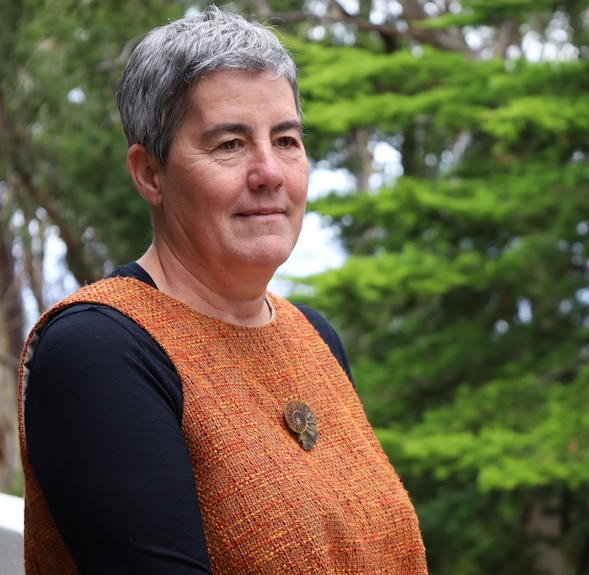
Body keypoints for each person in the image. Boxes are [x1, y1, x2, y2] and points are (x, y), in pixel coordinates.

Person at [17, 6, 428, 574]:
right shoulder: (100, 350)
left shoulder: (313, 337)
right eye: (230, 144)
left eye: (285, 140)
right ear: (150, 174)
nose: (269, 172)